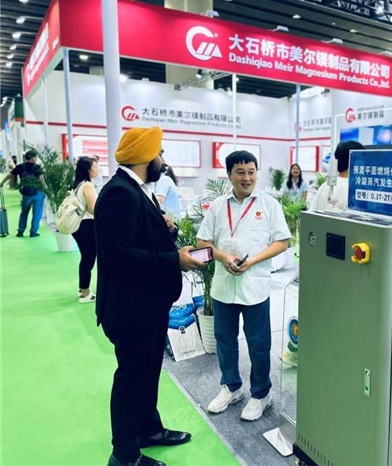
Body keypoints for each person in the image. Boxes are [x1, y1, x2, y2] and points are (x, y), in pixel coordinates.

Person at [94, 126, 205, 466]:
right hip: (130, 309)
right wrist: (175, 260)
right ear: (145, 156)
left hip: (147, 304)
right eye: (159, 153)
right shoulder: (120, 193)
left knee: (147, 372)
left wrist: (168, 228)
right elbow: (118, 256)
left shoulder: (137, 190)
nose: (162, 159)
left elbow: (140, 238)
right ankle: (124, 454)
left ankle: (148, 430)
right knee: (131, 378)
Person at [196, 150, 291, 422]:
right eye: (240, 172)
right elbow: (203, 243)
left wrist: (253, 261)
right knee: (225, 340)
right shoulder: (217, 206)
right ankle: (231, 387)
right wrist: (224, 257)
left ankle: (261, 394)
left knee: (259, 343)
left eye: (251, 172)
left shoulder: (269, 205)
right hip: (224, 286)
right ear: (229, 175)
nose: (246, 178)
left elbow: (282, 242)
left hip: (255, 287)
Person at [71, 156, 100, 303]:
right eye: (95, 167)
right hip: (87, 225)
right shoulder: (88, 185)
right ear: (88, 169)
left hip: (80, 226)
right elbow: (93, 208)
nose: (97, 169)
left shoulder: (78, 185)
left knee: (86, 258)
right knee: (88, 259)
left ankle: (83, 289)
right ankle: (85, 292)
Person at [309, 141, 364, 212]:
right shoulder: (353, 189)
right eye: (362, 158)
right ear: (356, 160)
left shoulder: (325, 185)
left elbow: (312, 211)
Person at [0, 149, 44, 237]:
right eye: (35, 157)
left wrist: (2, 183)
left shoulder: (20, 167)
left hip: (26, 193)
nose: (36, 159)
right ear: (33, 158)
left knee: (24, 212)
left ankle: (20, 231)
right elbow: (41, 179)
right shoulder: (37, 167)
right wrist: (45, 188)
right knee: (37, 213)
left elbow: (10, 175)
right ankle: (33, 232)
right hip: (37, 193)